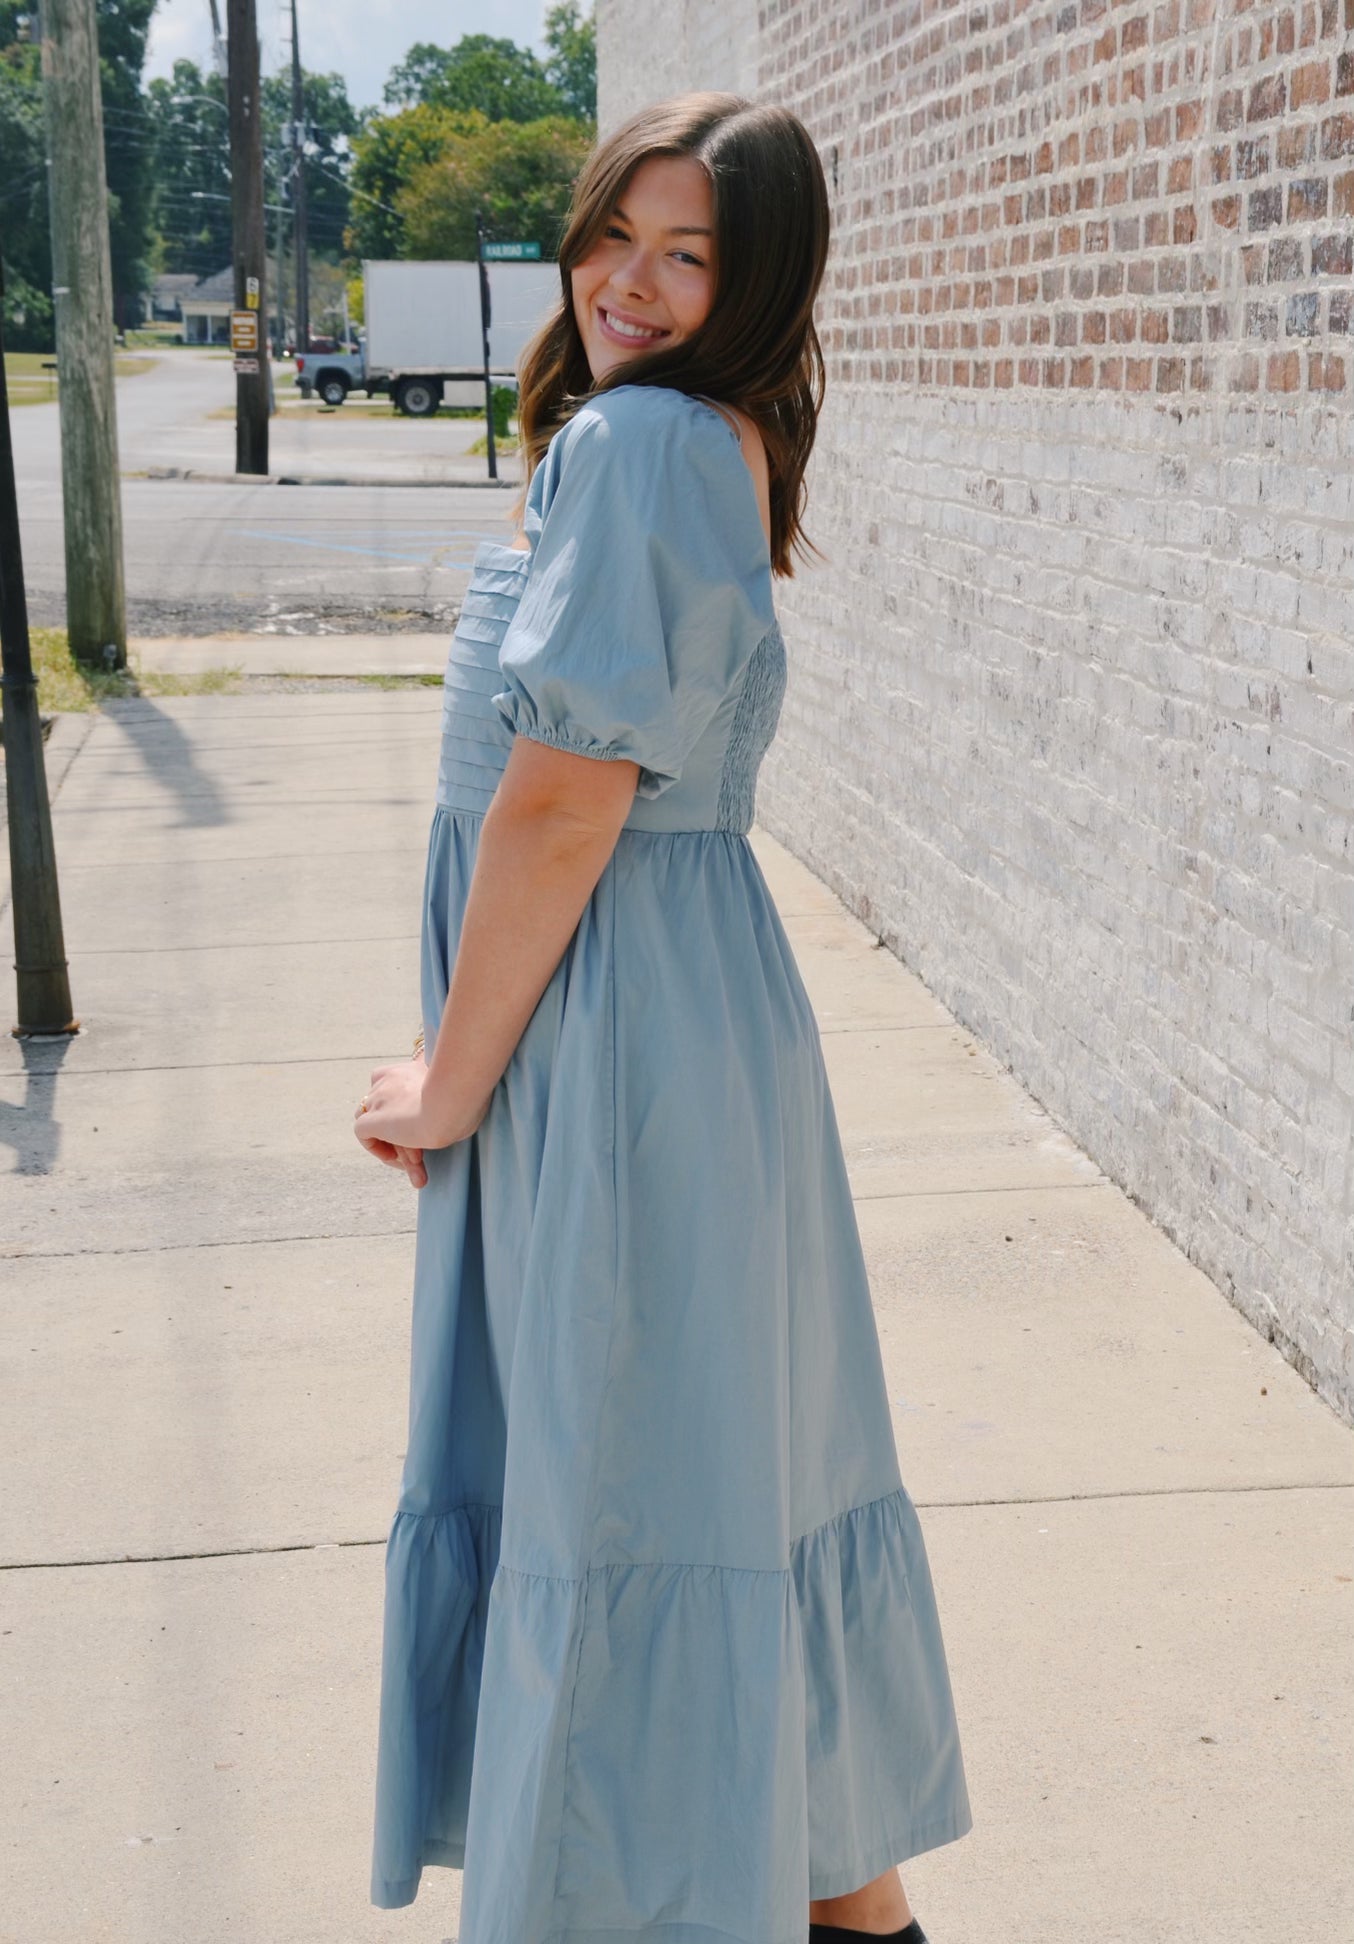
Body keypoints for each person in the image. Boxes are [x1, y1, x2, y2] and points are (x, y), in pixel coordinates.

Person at [354, 91, 973, 1944]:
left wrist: (447, 1084)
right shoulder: (710, 438)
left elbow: (564, 800)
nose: (630, 279)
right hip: (680, 1023)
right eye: (614, 232)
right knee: (718, 1495)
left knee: (628, 1506)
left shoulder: (633, 448)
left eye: (688, 253)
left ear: (757, 277)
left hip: (603, 1033)